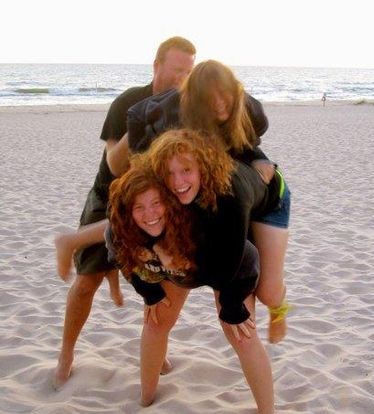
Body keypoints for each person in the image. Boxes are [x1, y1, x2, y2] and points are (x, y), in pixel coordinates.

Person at [53, 36, 196, 389]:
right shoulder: (129, 102)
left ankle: (156, 348)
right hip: (110, 194)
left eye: (189, 72)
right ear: (157, 66)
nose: (182, 78)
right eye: (178, 70)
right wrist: (146, 121)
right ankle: (66, 353)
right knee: (86, 283)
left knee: (163, 284)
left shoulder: (189, 107)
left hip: (155, 204)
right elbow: (115, 165)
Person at [109, 131, 280, 412]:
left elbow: (246, 261)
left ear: (202, 167)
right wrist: (150, 289)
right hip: (184, 261)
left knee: (240, 331)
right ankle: (146, 400)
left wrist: (232, 304)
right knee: (155, 321)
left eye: (187, 170)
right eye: (169, 173)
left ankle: (267, 410)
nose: (178, 182)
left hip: (231, 264)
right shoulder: (155, 201)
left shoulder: (227, 201)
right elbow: (119, 244)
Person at [127, 60, 291, 343]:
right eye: (209, 97)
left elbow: (245, 143)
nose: (218, 103)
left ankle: (279, 311)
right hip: (225, 194)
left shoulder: (251, 112)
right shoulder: (176, 118)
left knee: (268, 292)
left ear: (236, 92)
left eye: (224, 93)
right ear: (195, 100)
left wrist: (258, 158)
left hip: (265, 198)